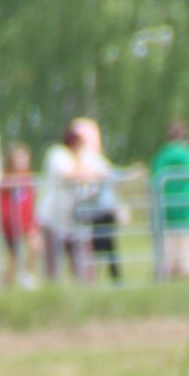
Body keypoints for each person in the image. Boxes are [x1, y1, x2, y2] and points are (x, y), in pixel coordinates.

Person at [149, 119, 189, 279]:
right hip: (188, 213)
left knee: (166, 260)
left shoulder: (161, 157)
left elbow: (153, 183)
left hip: (164, 214)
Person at [71, 119, 123, 283]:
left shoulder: (91, 158)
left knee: (104, 246)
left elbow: (110, 175)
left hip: (102, 210)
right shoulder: (88, 159)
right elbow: (106, 176)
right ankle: (101, 279)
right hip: (96, 211)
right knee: (100, 246)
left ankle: (106, 278)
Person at [38, 121, 79, 281]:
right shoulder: (58, 154)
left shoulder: (74, 158)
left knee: (75, 254)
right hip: (52, 216)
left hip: (68, 217)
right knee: (52, 261)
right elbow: (68, 174)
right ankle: (52, 290)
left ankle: (79, 286)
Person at [0, 141, 39, 288]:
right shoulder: (7, 179)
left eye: (24, 157)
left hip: (27, 221)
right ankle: (6, 287)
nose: (23, 160)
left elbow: (30, 200)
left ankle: (27, 276)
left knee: (36, 246)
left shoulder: (28, 178)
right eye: (19, 158)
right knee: (13, 258)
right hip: (11, 223)